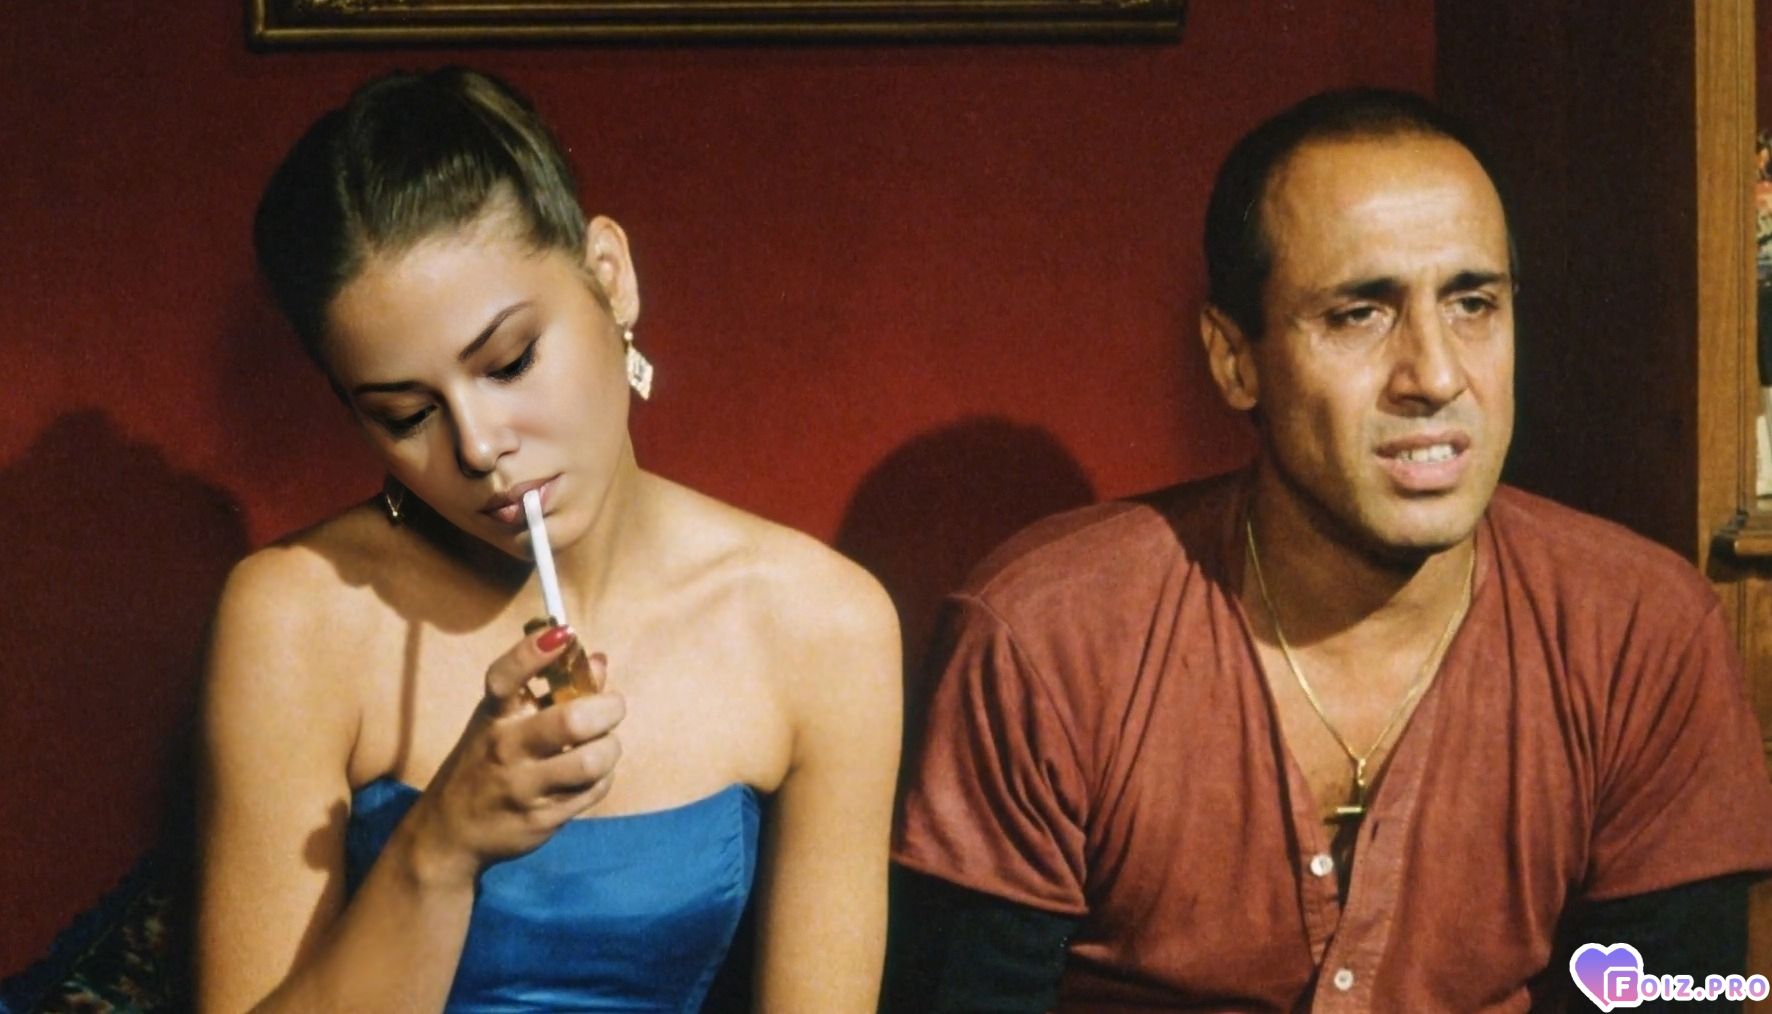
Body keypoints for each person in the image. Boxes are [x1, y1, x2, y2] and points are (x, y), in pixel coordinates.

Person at [888, 89, 1772, 1012]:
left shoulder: (1641, 633)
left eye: (1473, 303)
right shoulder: (1049, 637)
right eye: (1359, 314)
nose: (1435, 375)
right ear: (1235, 359)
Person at [197, 67, 901, 1013]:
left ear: (609, 277)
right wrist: (438, 850)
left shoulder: (821, 624)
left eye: (510, 361)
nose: (479, 447)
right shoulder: (297, 616)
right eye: (406, 415)